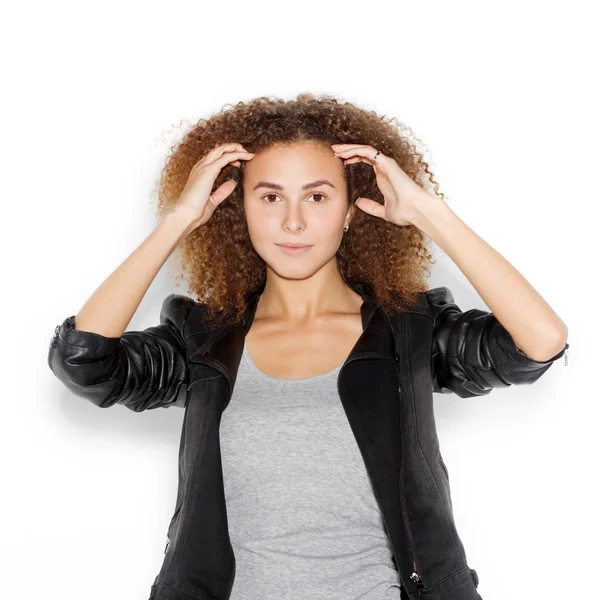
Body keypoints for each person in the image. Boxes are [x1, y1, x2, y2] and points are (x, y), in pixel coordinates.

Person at [48, 92, 569, 600]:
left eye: (317, 197)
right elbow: (85, 361)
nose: (292, 222)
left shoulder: (409, 328)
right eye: (270, 196)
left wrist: (430, 214)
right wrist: (178, 221)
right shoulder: (204, 336)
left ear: (349, 209)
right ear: (240, 209)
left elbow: (539, 342)